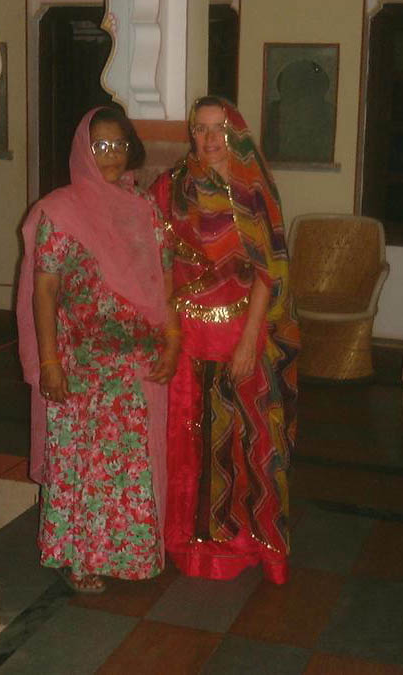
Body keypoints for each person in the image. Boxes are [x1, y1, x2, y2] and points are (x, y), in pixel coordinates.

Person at [17, 107, 180, 593]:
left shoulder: (145, 210)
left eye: (118, 145)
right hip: (82, 364)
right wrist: (49, 361)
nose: (110, 155)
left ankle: (129, 555)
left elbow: (165, 281)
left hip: (137, 365)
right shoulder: (58, 211)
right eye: (100, 146)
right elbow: (45, 291)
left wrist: (172, 340)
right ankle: (79, 559)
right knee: (85, 466)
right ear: (82, 151)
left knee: (131, 465)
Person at [150, 96, 299, 584]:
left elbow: (268, 271)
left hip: (239, 329)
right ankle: (189, 540)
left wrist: (249, 340)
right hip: (186, 335)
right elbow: (158, 261)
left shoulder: (252, 191)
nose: (211, 139)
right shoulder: (170, 187)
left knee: (247, 441)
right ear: (190, 133)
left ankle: (246, 541)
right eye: (201, 129)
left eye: (220, 130)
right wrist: (167, 331)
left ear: (236, 135)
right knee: (187, 442)